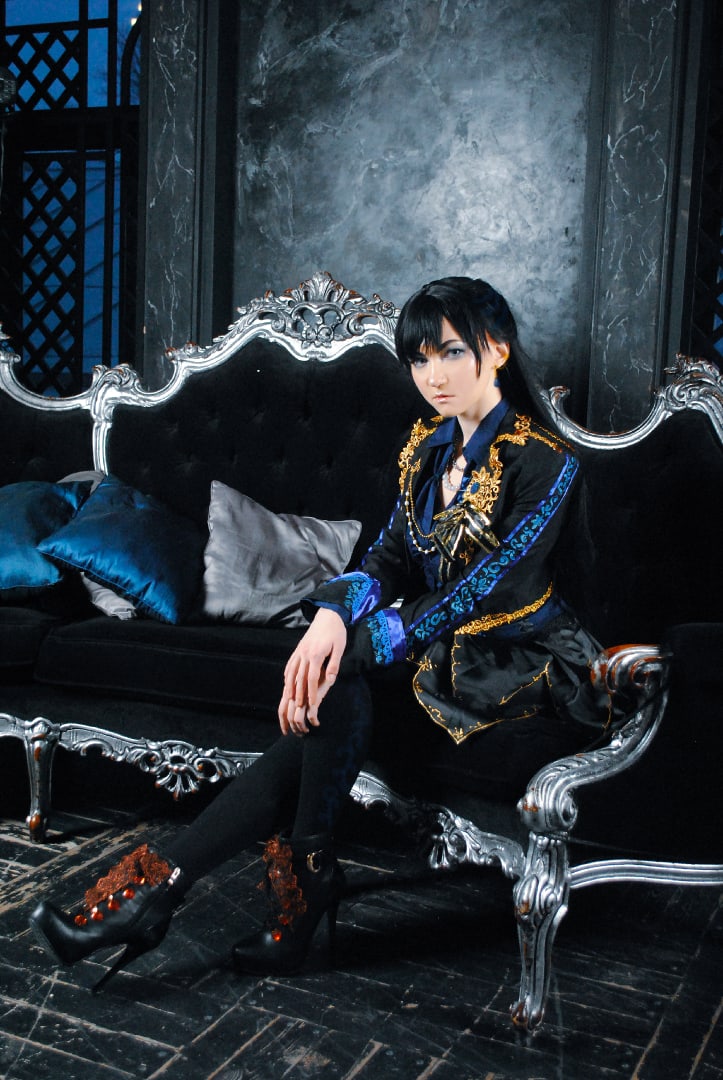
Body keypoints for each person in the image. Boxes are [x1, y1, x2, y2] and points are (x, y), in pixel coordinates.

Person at [29, 276, 609, 991]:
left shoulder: (546, 461)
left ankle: (168, 897)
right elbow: (390, 558)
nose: (433, 376)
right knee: (333, 690)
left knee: (336, 677)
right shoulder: (426, 449)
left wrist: (356, 642)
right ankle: (214, 892)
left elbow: (488, 587)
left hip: (520, 658)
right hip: (439, 650)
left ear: (496, 349)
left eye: (452, 352)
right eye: (419, 359)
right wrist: (332, 615)